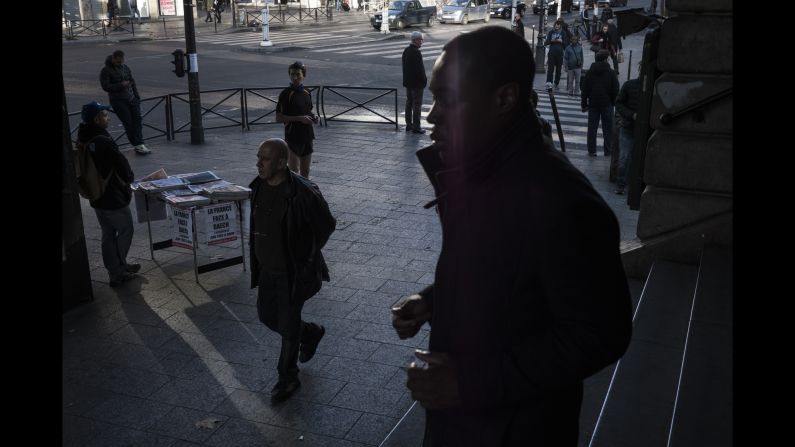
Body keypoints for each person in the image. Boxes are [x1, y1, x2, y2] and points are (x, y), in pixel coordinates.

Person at [391, 27, 632, 446]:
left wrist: (469, 383)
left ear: (504, 98)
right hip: (470, 422)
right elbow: (502, 268)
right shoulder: (481, 173)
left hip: (515, 429)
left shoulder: (560, 200)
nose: (431, 116)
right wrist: (434, 299)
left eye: (448, 100)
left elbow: (600, 334)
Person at [249, 138, 336, 402]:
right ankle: (310, 332)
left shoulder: (303, 192)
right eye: (258, 157)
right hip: (267, 269)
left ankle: (288, 377)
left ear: (281, 162)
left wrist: (305, 254)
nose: (258, 163)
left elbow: (326, 225)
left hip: (291, 272)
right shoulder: (257, 185)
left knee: (287, 326)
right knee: (266, 316)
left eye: (265, 159)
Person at [77, 101, 140, 287]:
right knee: (126, 229)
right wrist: (129, 179)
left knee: (108, 233)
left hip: (96, 194)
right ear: (97, 119)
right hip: (112, 195)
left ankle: (116, 267)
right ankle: (118, 270)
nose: (108, 117)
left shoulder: (84, 137)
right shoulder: (104, 141)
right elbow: (123, 167)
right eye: (104, 115)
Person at [100, 49, 151, 155]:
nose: (120, 63)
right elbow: (105, 87)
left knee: (137, 121)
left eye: (122, 61)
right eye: (118, 62)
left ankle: (140, 143)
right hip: (119, 101)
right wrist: (121, 85)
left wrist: (137, 97)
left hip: (132, 99)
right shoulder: (106, 70)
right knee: (128, 123)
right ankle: (138, 145)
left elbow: (132, 82)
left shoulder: (125, 68)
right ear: (113, 58)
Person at [276, 61, 319, 178]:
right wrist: (300, 119)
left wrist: (314, 117)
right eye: (292, 74)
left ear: (303, 76)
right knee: (294, 172)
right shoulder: (285, 94)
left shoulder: (307, 92)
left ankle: (304, 195)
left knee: (306, 172)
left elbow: (308, 111)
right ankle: (293, 195)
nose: (295, 77)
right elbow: (279, 117)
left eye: (298, 74)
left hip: (307, 136)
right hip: (292, 137)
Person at [581, 49, 619, 156]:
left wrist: (584, 105)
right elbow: (616, 89)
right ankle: (608, 150)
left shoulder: (590, 72)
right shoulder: (611, 73)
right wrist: (614, 102)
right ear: (605, 59)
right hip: (607, 104)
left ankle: (592, 150)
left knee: (592, 128)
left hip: (593, 104)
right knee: (608, 129)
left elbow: (584, 90)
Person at [614, 73, 640, 194]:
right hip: (628, 126)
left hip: (640, 127)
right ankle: (621, 184)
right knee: (624, 156)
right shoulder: (629, 85)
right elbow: (618, 103)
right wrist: (631, 115)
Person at [402, 31, 428, 134]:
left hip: (408, 82)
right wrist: (424, 80)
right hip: (416, 84)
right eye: (420, 39)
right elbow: (419, 70)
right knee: (417, 105)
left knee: (409, 103)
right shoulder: (416, 52)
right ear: (415, 40)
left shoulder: (407, 50)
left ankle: (409, 125)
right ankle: (416, 127)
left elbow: (405, 67)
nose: (422, 41)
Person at [544, 20, 566, 90]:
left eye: (558, 26)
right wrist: (551, 41)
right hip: (552, 53)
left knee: (558, 70)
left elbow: (566, 44)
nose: (556, 27)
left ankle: (556, 83)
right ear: (554, 25)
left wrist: (561, 41)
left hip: (560, 54)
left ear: (560, 26)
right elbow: (546, 43)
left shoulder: (563, 33)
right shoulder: (551, 32)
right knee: (550, 69)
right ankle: (549, 82)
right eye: (555, 25)